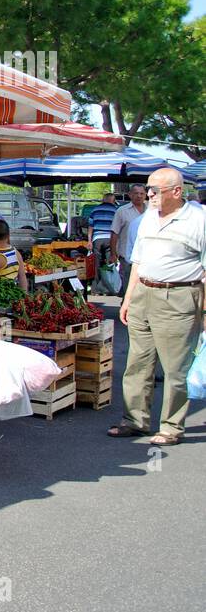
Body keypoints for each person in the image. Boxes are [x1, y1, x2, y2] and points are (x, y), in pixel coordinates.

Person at [109, 169, 206, 447]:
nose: (148, 194)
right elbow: (137, 262)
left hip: (178, 296)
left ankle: (171, 426)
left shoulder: (199, 220)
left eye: (154, 190)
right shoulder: (146, 219)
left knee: (176, 367)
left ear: (177, 191)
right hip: (143, 293)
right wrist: (128, 299)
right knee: (138, 362)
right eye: (148, 190)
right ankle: (134, 420)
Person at [110, 185, 148, 295]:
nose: (139, 196)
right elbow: (114, 233)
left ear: (146, 195)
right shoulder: (122, 211)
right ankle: (126, 309)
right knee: (128, 289)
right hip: (127, 257)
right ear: (130, 195)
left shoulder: (152, 210)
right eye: (136, 193)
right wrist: (113, 254)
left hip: (146, 257)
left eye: (142, 193)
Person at [0, 219, 29, 291]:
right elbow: (22, 276)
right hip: (16, 295)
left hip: (3, 298)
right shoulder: (15, 252)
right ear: (8, 235)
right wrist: (24, 295)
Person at [87, 192, 119, 266]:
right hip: (110, 239)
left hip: (97, 239)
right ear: (113, 201)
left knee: (96, 263)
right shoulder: (116, 210)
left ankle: (97, 277)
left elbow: (90, 226)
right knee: (110, 263)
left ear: (103, 200)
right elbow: (118, 227)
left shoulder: (95, 210)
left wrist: (89, 241)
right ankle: (109, 277)